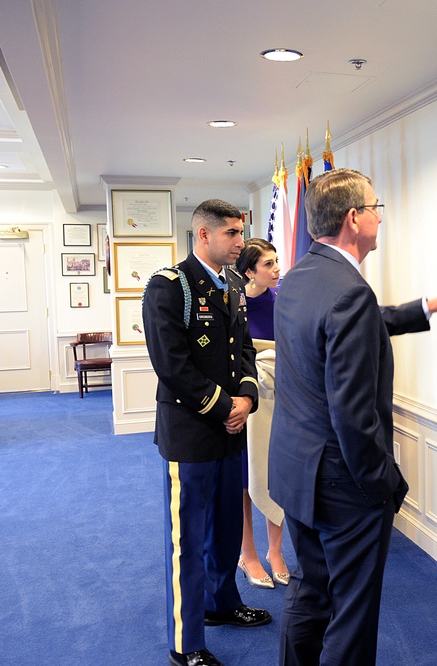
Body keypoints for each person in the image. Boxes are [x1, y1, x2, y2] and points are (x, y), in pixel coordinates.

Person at [268, 168, 437, 665]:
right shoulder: (348, 292)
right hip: (344, 485)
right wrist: (383, 485)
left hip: (296, 470)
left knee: (310, 592)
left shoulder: (299, 277)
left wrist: (425, 307)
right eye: (375, 208)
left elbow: (347, 326)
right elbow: (354, 417)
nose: (380, 219)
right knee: (352, 616)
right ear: (353, 219)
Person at [142, 199, 271, 666]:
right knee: (188, 541)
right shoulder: (168, 287)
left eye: (240, 233)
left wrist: (247, 398)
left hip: (229, 431)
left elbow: (244, 349)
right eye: (232, 234)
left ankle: (222, 603)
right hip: (192, 432)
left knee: (225, 530)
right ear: (204, 235)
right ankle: (186, 642)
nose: (241, 242)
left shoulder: (234, 283)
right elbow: (171, 365)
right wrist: (224, 408)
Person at [232, 237, 289, 589]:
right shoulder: (233, 306)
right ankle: (248, 552)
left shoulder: (283, 302)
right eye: (268, 264)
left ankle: (276, 551)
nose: (277, 269)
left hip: (280, 401)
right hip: (244, 402)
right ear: (250, 271)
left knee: (274, 474)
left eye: (277, 261)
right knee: (244, 479)